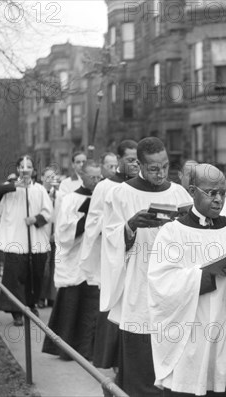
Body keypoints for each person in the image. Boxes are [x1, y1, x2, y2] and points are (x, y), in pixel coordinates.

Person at [148, 164, 226, 396]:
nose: (219, 199)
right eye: (211, 193)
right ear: (192, 191)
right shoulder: (172, 232)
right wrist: (208, 273)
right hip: (192, 334)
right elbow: (161, 283)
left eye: (222, 193)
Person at [102, 137, 192, 395]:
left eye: (165, 166)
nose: (161, 173)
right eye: (154, 168)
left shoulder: (178, 193)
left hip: (172, 284)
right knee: (141, 362)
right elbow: (108, 240)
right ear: (139, 164)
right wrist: (130, 225)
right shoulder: (120, 194)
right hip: (138, 283)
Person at [79, 139, 138, 370]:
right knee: (114, 303)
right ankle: (110, 361)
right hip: (112, 254)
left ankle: (129, 361)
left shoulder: (141, 185)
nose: (134, 164)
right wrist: (114, 228)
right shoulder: (105, 186)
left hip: (137, 254)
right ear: (119, 160)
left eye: (137, 160)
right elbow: (93, 220)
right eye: (130, 160)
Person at [42, 160, 102, 361]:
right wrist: (86, 218)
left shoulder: (103, 197)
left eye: (98, 177)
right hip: (75, 259)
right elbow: (63, 233)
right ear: (82, 176)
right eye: (92, 177)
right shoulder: (70, 200)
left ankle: (90, 350)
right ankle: (66, 349)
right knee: (72, 305)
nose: (96, 181)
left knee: (93, 307)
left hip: (97, 259)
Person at [0, 155, 53, 326]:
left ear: (33, 170)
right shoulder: (9, 189)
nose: (26, 170)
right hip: (15, 242)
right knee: (14, 277)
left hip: (36, 242)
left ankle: (31, 304)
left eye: (29, 166)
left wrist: (36, 219)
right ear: (17, 169)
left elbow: (48, 212)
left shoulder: (39, 190)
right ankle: (17, 311)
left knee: (35, 275)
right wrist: (14, 185)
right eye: (22, 167)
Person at [38, 166, 60, 308]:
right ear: (42, 178)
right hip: (41, 235)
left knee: (55, 268)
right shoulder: (38, 193)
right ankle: (40, 297)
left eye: (53, 177)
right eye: (48, 177)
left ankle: (52, 297)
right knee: (43, 268)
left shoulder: (59, 195)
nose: (50, 180)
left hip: (56, 236)